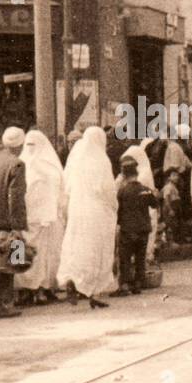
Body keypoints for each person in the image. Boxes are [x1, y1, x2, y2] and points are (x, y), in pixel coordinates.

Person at [57, 126, 119, 308]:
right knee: (98, 251)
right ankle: (95, 293)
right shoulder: (101, 161)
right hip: (97, 212)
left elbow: (66, 186)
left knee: (77, 247)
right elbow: (107, 189)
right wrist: (114, 206)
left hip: (77, 210)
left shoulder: (77, 159)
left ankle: (73, 281)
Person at [0, 126, 28, 318]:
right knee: (9, 262)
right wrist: (17, 226)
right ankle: (0, 304)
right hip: (9, 220)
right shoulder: (17, 163)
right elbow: (15, 196)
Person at [17, 129, 65, 304]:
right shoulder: (20, 164)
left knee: (49, 255)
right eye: (27, 144)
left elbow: (61, 191)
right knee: (22, 254)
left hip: (49, 219)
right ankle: (25, 290)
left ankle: (46, 288)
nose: (30, 148)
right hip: (26, 219)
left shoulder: (51, 167)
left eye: (33, 145)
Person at [116, 155, 158, 294]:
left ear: (124, 174)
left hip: (128, 230)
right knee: (140, 257)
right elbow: (154, 204)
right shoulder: (145, 189)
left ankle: (125, 284)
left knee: (125, 257)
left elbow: (118, 210)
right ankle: (138, 283)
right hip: (143, 229)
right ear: (137, 173)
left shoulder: (122, 191)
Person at [121, 143, 159, 264]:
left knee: (143, 243)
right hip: (140, 212)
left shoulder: (143, 173)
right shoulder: (142, 170)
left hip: (143, 212)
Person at [161, 170, 183, 247]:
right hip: (169, 206)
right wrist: (170, 209)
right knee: (169, 224)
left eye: (177, 175)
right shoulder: (168, 187)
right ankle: (170, 242)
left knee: (174, 224)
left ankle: (173, 241)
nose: (176, 177)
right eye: (173, 175)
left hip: (175, 205)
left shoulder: (174, 187)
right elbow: (166, 198)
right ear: (169, 177)